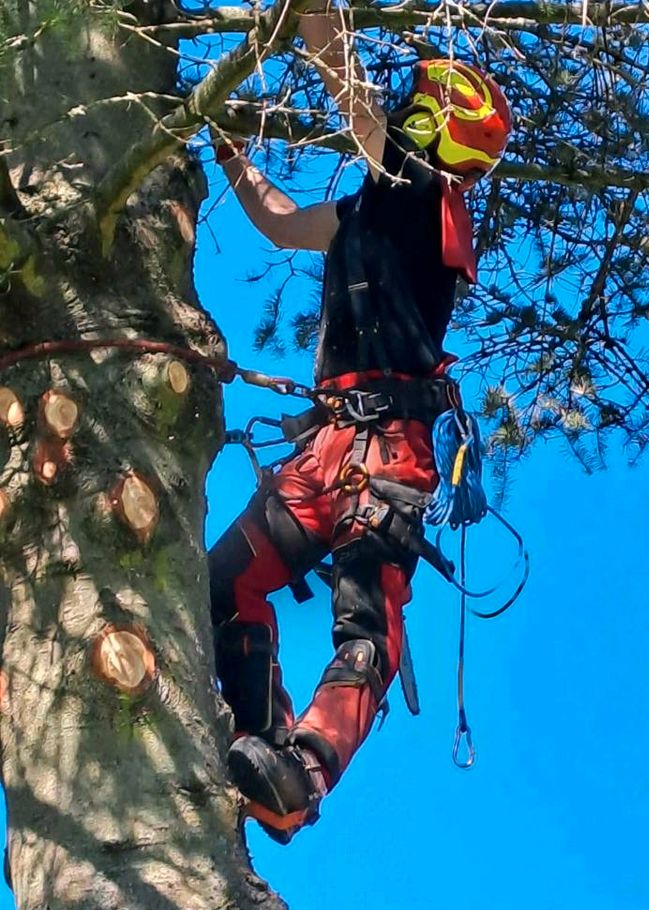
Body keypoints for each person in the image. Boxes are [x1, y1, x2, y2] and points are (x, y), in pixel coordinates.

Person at [209, 2, 512, 845]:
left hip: (389, 456)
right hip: (331, 449)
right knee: (222, 581)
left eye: (420, 112)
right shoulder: (376, 212)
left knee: (366, 628)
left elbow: (352, 97)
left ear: (438, 130)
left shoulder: (421, 198)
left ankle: (301, 778)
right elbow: (276, 221)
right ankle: (252, 738)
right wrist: (231, 152)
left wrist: (312, 18)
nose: (405, 120)